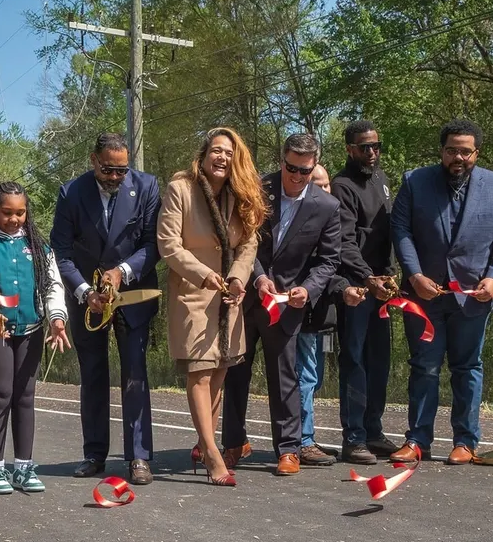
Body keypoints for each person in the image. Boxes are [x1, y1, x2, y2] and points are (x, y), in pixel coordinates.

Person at [391, 118, 493, 464]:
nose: (458, 158)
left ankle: (466, 441)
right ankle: (417, 440)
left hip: (474, 297)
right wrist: (415, 275)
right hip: (424, 295)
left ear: (476, 153)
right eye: (452, 151)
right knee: (424, 367)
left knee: (467, 367)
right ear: (442, 151)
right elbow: (401, 231)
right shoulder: (415, 182)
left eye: (465, 152)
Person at [221, 134, 341, 476]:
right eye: (290, 168)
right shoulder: (258, 189)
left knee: (285, 377)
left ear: (314, 166)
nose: (296, 176)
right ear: (281, 161)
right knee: (236, 372)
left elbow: (328, 261)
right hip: (248, 296)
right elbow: (244, 241)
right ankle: (233, 442)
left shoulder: (327, 207)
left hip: (288, 305)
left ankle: (288, 449)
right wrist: (257, 278)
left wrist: (308, 289)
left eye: (304, 170)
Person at [157, 127, 266, 487]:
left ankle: (205, 445)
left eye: (229, 153)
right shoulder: (180, 189)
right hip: (192, 293)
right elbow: (169, 245)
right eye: (216, 151)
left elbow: (248, 243)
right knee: (200, 373)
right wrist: (203, 274)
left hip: (229, 295)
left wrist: (238, 277)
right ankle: (212, 451)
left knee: (220, 371)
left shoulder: (241, 195)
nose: (222, 158)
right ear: (203, 156)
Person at [50, 132, 162, 484]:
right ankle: (94, 453)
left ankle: (139, 457)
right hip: (89, 299)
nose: (115, 177)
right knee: (93, 376)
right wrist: (85, 292)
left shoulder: (146, 187)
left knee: (135, 376)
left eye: (121, 171)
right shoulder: (71, 193)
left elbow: (153, 243)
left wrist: (122, 271)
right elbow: (62, 251)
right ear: (93, 160)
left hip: (132, 294)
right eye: (108, 170)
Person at [0, 182, 71, 494]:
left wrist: (56, 318)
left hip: (31, 330)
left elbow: (52, 287)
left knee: (25, 396)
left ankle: (24, 467)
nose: (13, 218)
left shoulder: (39, 248)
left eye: (20, 212)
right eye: (6, 212)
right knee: (1, 394)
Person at [332, 119, 400, 465]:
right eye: (364, 147)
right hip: (356, 288)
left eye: (376, 146)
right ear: (349, 149)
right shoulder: (341, 186)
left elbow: (387, 234)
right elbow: (343, 242)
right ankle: (354, 437)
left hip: (381, 287)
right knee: (355, 360)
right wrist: (366, 277)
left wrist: (389, 276)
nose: (372, 153)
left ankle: (373, 431)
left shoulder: (382, 180)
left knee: (379, 361)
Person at [295, 163, 368, 464]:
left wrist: (347, 289)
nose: (323, 191)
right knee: (306, 376)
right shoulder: (303, 220)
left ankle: (305, 438)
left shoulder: (330, 218)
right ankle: (302, 440)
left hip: (324, 314)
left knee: (315, 376)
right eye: (316, 184)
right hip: (301, 311)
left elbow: (331, 267)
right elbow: (314, 268)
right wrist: (340, 288)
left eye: (326, 186)